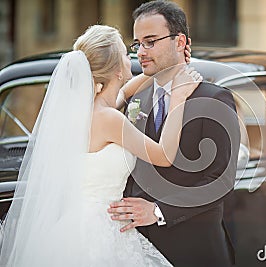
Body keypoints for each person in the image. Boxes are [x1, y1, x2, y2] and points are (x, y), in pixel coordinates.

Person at [0, 24, 201, 266]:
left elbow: (126, 91)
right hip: (100, 229)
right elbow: (164, 155)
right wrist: (179, 98)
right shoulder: (109, 118)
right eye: (127, 55)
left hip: (78, 224)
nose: (133, 58)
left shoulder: (91, 110)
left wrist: (171, 67)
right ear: (117, 70)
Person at [107, 1, 241, 266]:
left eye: (150, 41)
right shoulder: (136, 99)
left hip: (194, 250)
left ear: (180, 42)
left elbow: (221, 180)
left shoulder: (215, 99)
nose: (141, 52)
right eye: (137, 44)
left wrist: (157, 211)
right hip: (135, 249)